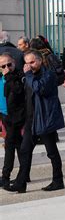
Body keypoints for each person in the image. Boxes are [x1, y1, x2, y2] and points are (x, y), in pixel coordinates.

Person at [7, 50, 65, 193]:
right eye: (26, 63)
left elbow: (39, 88)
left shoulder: (48, 75)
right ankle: (21, 183)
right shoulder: (28, 76)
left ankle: (58, 180)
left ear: (40, 61)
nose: (29, 65)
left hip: (45, 119)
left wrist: (27, 75)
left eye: (32, 62)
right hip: (30, 120)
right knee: (25, 150)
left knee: (51, 152)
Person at [0, 54, 25, 189]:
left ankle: (5, 177)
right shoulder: (1, 78)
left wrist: (9, 76)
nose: (7, 68)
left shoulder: (18, 77)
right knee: (17, 146)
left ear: (14, 62)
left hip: (16, 118)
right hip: (4, 116)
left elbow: (19, 91)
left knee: (10, 147)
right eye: (3, 66)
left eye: (9, 64)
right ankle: (24, 174)